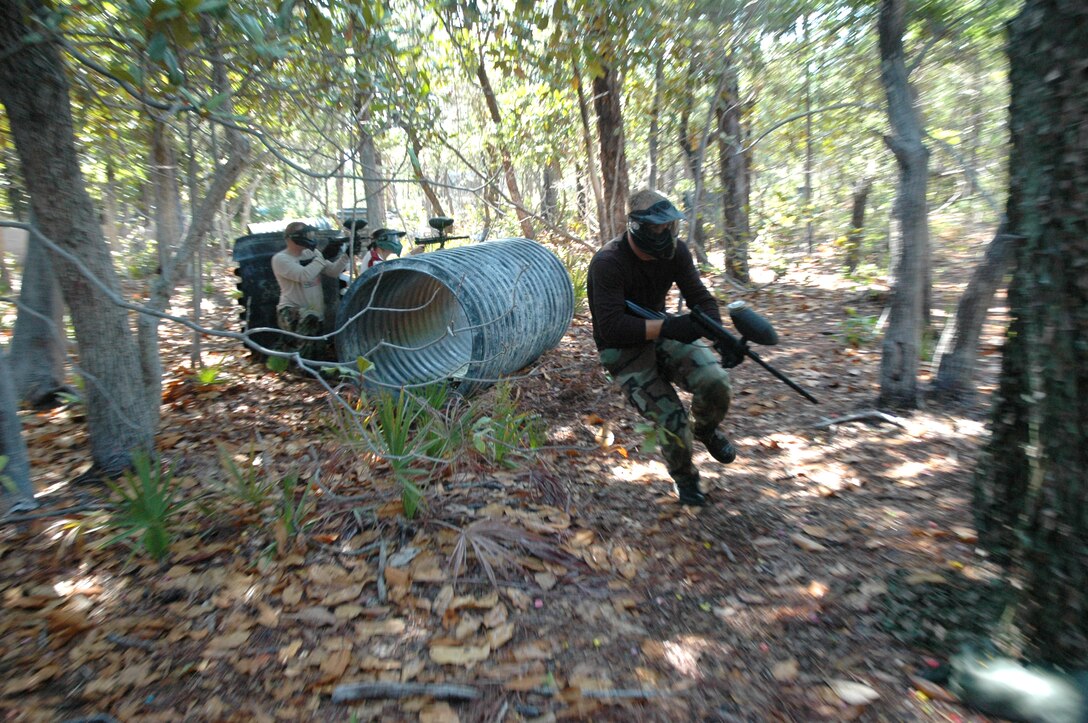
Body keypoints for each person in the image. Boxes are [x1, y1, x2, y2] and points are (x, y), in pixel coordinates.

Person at [586, 189, 735, 506]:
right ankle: (686, 479)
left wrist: (718, 331)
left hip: (659, 329)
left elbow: (699, 296)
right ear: (638, 227)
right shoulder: (608, 263)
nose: (666, 233)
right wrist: (670, 326)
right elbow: (611, 328)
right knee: (672, 421)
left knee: (715, 382)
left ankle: (705, 431)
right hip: (621, 350)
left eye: (669, 226)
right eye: (658, 228)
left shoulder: (677, 252)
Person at [271, 221, 349, 359]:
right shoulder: (280, 259)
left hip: (313, 312)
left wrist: (346, 255)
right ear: (292, 237)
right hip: (293, 312)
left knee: (317, 352)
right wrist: (322, 257)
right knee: (305, 353)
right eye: (306, 234)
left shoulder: (311, 253)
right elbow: (304, 275)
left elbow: (333, 272)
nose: (310, 237)